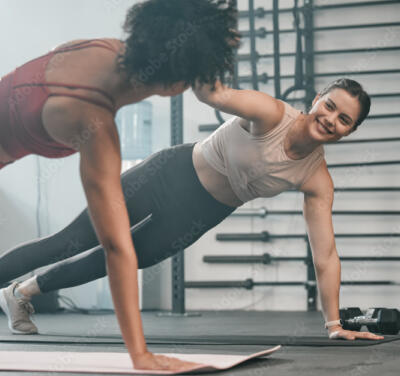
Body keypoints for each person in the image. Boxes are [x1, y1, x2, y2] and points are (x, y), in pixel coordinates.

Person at [1, 77, 384, 347]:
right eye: (330, 106)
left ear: (349, 132)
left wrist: (334, 324)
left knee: (114, 259)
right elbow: (215, 95)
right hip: (167, 174)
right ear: (318, 98)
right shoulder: (270, 113)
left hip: (200, 213)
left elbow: (326, 255)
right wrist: (199, 59)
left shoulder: (316, 178)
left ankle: (20, 292)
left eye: (344, 120)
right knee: (72, 240)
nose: (331, 119)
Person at [0, 0, 239, 372]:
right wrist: (141, 356)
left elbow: (181, 33)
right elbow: (117, 248)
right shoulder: (92, 123)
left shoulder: (104, 48)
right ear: (177, 85)